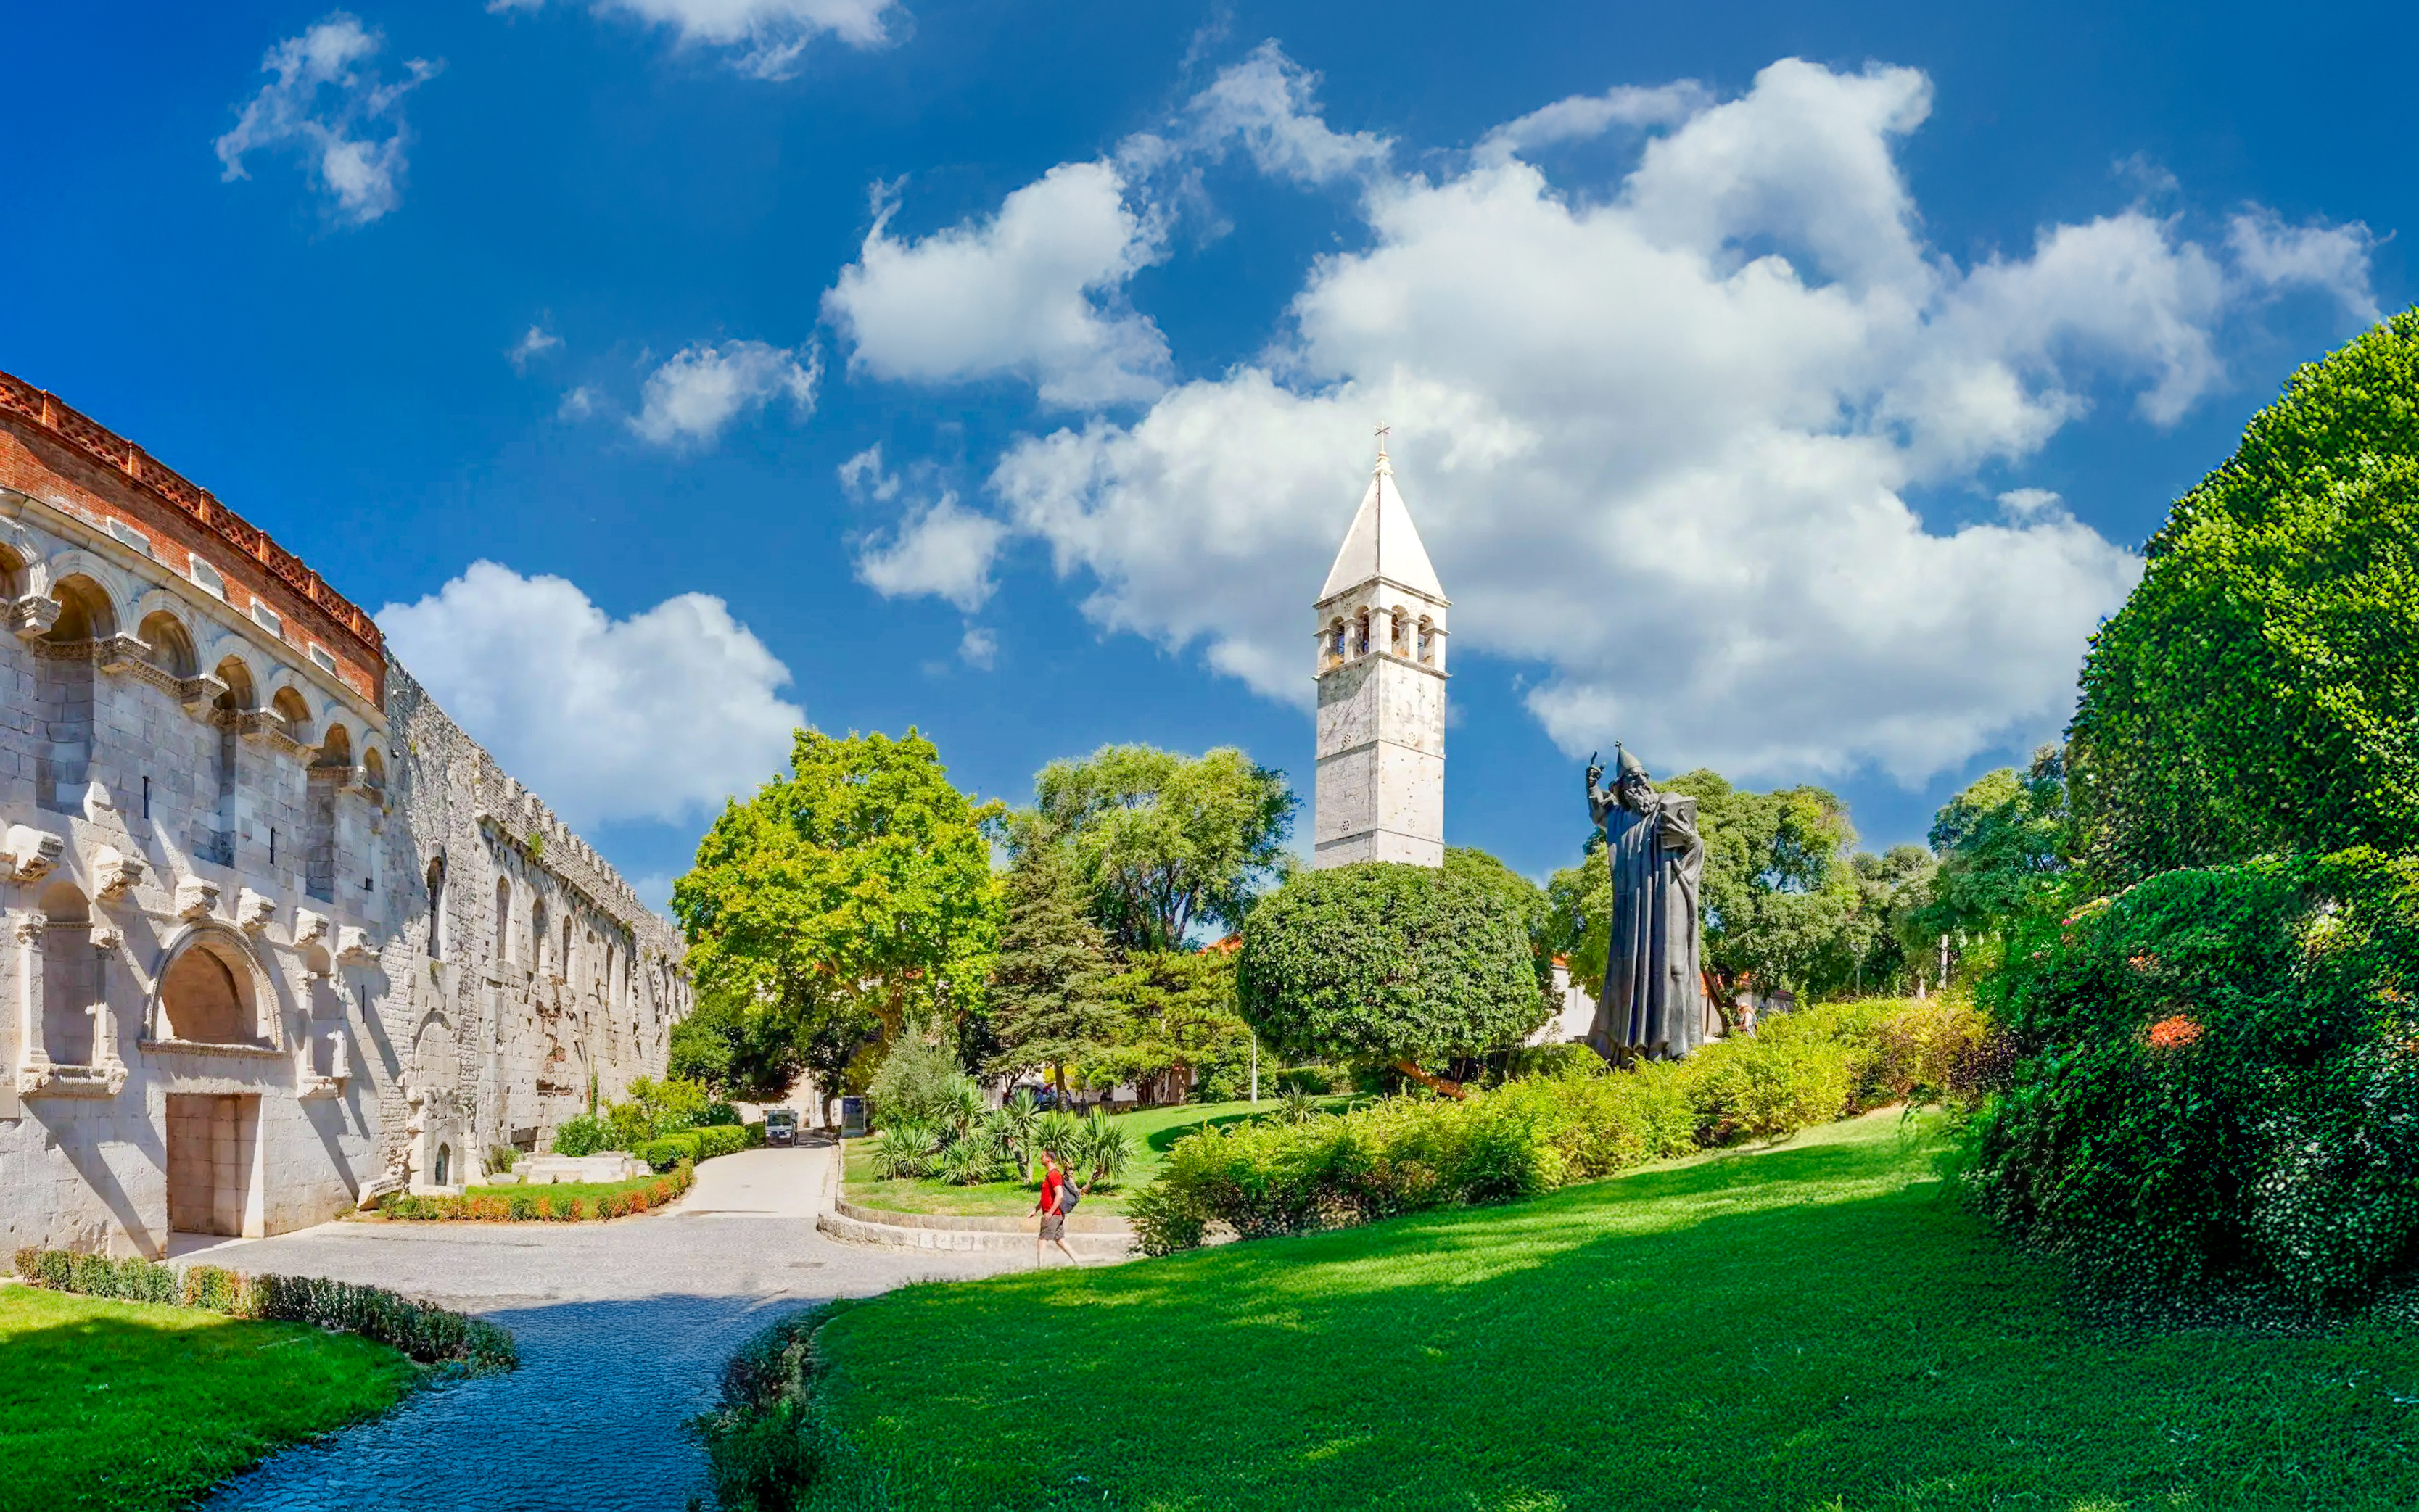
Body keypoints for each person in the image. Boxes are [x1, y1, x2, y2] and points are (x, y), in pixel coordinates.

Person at [1031, 1149, 1085, 1268]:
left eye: (1043, 1157)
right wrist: (1036, 1210)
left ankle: (1040, 1267)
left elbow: (1060, 1195)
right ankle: (1079, 1261)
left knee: (1042, 1239)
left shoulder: (1054, 1175)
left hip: (1053, 1214)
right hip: (1056, 1214)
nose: (1041, 1158)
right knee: (1060, 1240)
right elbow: (1046, 1196)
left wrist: (1050, 1212)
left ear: (1048, 1159)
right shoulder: (1050, 1175)